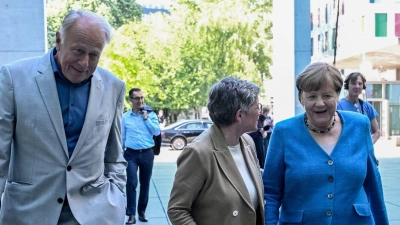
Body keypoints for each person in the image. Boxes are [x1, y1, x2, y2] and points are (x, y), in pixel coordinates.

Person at [0, 9, 127, 224]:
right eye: (78, 51)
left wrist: (117, 197)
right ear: (59, 40)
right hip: (29, 213)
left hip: (95, 214)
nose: (84, 63)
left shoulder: (113, 86)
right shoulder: (14, 78)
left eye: (94, 54)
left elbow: (114, 155)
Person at [262, 62, 389, 225]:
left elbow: (373, 184)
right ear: (301, 98)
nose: (320, 103)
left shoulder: (360, 125)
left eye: (327, 95)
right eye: (312, 96)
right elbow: (271, 193)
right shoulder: (284, 131)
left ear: (337, 96)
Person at [168, 77, 265, 225]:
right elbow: (177, 209)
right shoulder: (199, 153)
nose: (260, 113)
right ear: (239, 115)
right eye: (257, 107)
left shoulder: (248, 143)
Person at [122, 88, 161, 224]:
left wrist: (146, 119)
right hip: (130, 154)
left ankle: (141, 212)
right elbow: (122, 137)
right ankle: (131, 214)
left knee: (145, 184)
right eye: (137, 98)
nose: (140, 100)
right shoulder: (125, 117)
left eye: (142, 98)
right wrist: (120, 155)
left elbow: (156, 132)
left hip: (147, 153)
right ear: (131, 100)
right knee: (131, 182)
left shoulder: (150, 115)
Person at [337, 72, 381, 144]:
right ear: (347, 85)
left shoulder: (367, 107)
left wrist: (367, 146)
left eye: (360, 84)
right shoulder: (338, 106)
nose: (357, 86)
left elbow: (377, 132)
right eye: (354, 83)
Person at [248, 105, 267, 169]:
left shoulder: (262, 118)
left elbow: (265, 135)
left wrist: (263, 131)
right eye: (257, 108)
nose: (259, 111)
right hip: (249, 138)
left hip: (258, 139)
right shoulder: (249, 117)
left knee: (260, 158)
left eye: (259, 109)